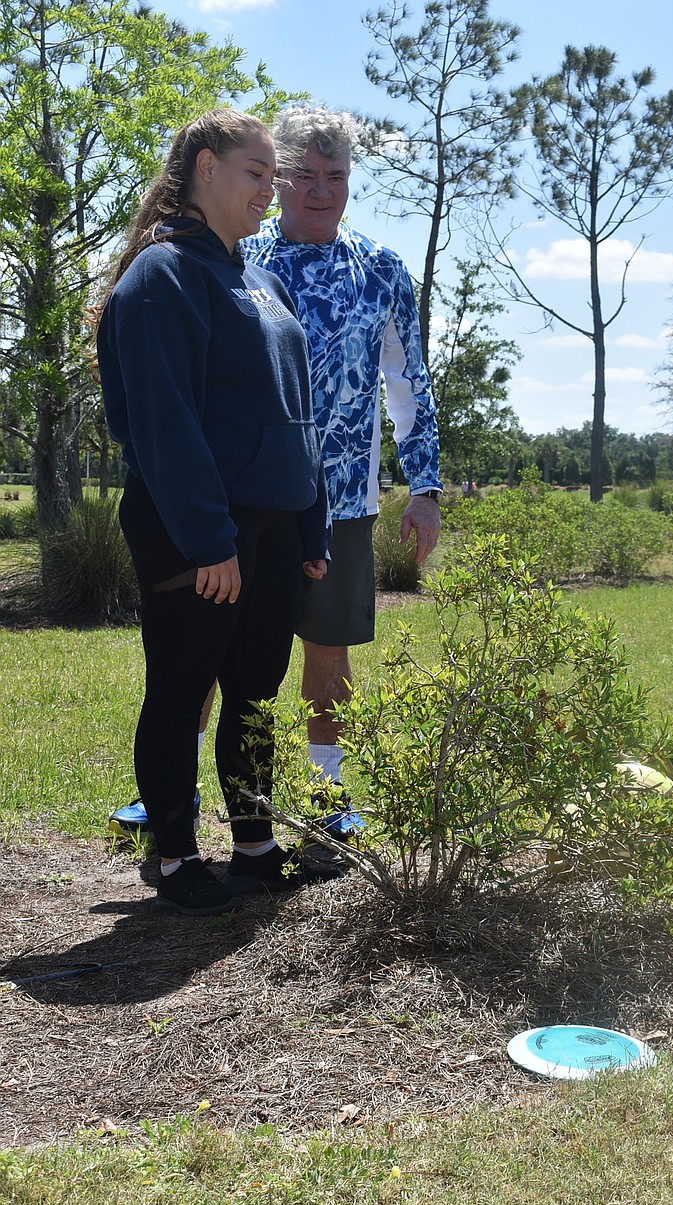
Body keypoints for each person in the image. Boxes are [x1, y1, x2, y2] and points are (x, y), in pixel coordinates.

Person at [110, 102, 441, 877]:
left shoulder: (380, 270)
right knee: (202, 663)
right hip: (224, 510)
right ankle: (173, 804)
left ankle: (323, 799)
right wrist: (203, 524)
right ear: (274, 180)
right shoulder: (231, 257)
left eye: (337, 176)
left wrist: (424, 484)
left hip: (332, 503)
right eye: (299, 176)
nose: (319, 190)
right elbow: (165, 401)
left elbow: (408, 383)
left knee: (313, 659)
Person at [97, 108, 330, 915]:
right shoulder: (161, 277)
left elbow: (298, 412)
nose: (271, 190)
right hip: (196, 528)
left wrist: (309, 525)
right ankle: (175, 858)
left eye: (274, 176)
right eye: (256, 173)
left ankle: (256, 850)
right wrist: (208, 540)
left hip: (271, 525)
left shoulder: (261, 281)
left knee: (256, 692)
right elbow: (163, 425)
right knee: (181, 687)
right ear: (204, 167)